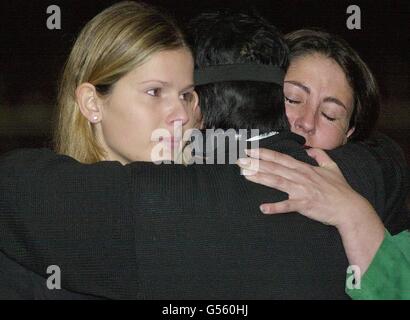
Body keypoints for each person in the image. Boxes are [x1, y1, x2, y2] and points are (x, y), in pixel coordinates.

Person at [0, 5, 407, 299]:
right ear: (92, 103)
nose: (179, 111)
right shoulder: (43, 232)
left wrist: (356, 213)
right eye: (154, 92)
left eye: (187, 94)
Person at [237, 147, 410, 299]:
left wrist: (355, 214)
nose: (306, 122)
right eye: (294, 106)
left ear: (349, 134)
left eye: (329, 116)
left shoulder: (371, 171)